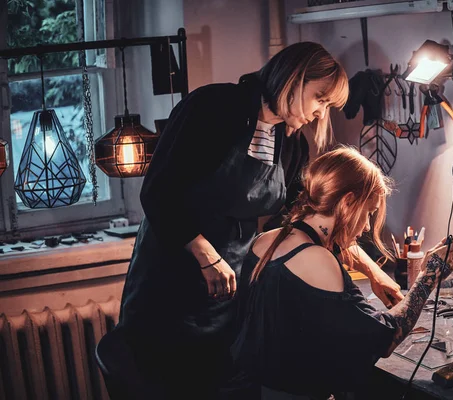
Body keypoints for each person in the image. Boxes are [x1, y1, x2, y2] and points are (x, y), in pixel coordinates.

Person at [114, 42, 402, 399]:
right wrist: (205, 254)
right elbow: (158, 192)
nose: (319, 113)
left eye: (326, 105)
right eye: (319, 98)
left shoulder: (292, 145)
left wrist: (373, 272)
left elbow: (308, 218)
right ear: (295, 80)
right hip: (170, 285)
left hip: (227, 290)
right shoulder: (213, 106)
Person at [231, 146, 453, 398]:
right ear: (348, 201)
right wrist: (428, 276)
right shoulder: (317, 260)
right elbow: (384, 338)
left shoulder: (266, 240)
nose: (367, 225)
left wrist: (374, 274)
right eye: (369, 212)